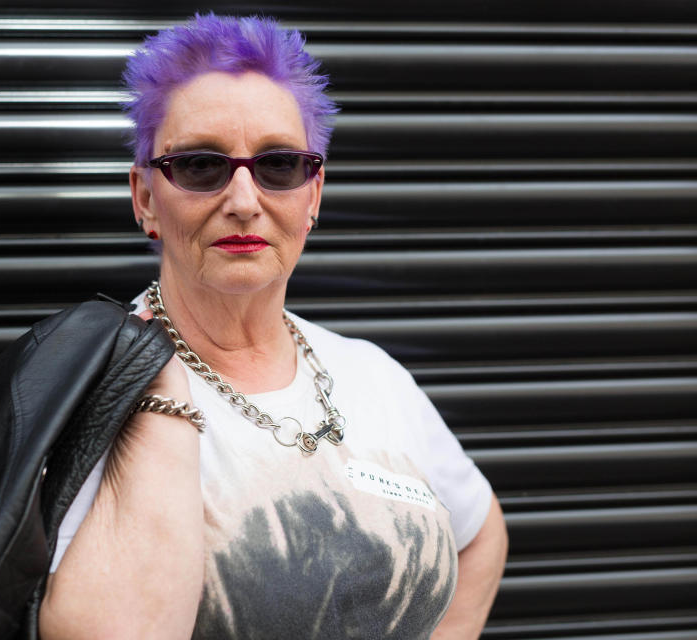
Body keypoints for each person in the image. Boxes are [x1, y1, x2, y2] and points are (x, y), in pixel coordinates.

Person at [39, 13, 507, 640]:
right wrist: (155, 388)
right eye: (202, 165)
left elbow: (480, 534)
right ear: (146, 198)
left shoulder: (372, 375)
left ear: (312, 196)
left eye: (279, 165)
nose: (242, 199)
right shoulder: (92, 394)